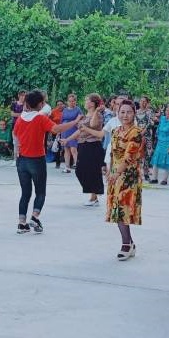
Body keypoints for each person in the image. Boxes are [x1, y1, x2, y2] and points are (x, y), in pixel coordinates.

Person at [12, 90, 81, 234]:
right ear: (40, 104)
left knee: (25, 193)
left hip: (22, 160)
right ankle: (35, 217)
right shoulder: (40, 118)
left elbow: (15, 133)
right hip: (36, 159)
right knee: (40, 192)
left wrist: (18, 147)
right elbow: (56, 129)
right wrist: (74, 122)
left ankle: (21, 223)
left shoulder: (20, 119)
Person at [106, 99, 144, 260]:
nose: (125, 115)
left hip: (129, 177)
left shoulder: (136, 132)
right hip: (115, 175)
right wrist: (109, 171)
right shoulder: (115, 131)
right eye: (122, 112)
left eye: (129, 112)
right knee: (117, 211)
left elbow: (129, 157)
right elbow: (112, 153)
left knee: (123, 210)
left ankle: (126, 245)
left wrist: (116, 174)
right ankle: (130, 242)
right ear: (117, 113)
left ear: (134, 114)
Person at [63, 94, 105, 207]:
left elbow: (92, 125)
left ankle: (94, 197)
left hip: (93, 145)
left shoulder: (98, 115)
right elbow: (79, 131)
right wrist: (67, 140)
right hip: (82, 145)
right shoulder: (86, 115)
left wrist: (96, 111)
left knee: (92, 171)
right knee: (80, 171)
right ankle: (94, 193)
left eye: (87, 100)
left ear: (92, 103)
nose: (85, 102)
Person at [150, 105, 169, 185]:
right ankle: (154, 178)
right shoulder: (162, 119)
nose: (168, 112)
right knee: (156, 159)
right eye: (167, 110)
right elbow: (158, 129)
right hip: (160, 142)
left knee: (167, 160)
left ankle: (165, 179)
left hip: (168, 143)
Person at [59, 93, 83, 173]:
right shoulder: (65, 110)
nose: (71, 102)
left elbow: (82, 120)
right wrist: (60, 131)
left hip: (73, 131)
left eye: (73, 101)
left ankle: (78, 166)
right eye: (70, 101)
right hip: (65, 131)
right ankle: (67, 167)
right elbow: (61, 120)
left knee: (73, 149)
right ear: (67, 102)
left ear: (75, 101)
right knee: (66, 149)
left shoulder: (78, 109)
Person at [135, 96, 157, 181]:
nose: (143, 103)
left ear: (147, 103)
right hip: (137, 135)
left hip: (147, 135)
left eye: (144, 101)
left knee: (148, 153)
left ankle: (146, 172)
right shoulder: (136, 112)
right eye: (141, 101)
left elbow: (151, 122)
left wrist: (145, 130)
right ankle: (138, 172)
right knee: (137, 153)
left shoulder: (149, 112)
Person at [10, 90, 25, 160]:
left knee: (23, 142)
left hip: (24, 125)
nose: (23, 97)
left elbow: (26, 114)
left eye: (24, 95)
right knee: (15, 142)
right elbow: (12, 114)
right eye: (22, 95)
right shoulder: (14, 104)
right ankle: (15, 159)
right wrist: (21, 114)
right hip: (15, 125)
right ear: (19, 96)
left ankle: (22, 158)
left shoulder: (26, 104)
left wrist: (17, 114)